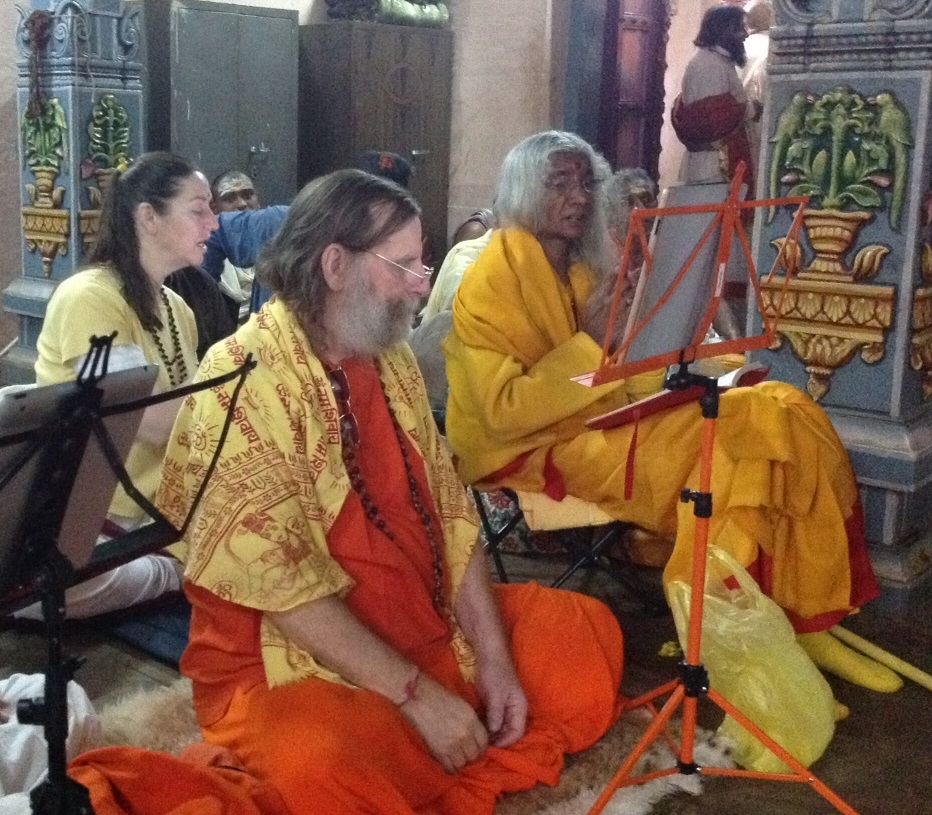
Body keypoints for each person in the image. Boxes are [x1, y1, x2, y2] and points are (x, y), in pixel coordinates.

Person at [156, 169, 625, 813]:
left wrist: (493, 660)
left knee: (582, 631)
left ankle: (438, 729)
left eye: (421, 260)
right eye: (402, 263)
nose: (421, 282)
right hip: (291, 660)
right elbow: (282, 593)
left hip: (422, 619)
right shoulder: (241, 376)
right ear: (334, 265)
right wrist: (417, 697)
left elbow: (452, 519)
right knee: (329, 767)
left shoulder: (389, 355)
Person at [442, 130, 903, 693]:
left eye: (586, 182)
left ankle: (801, 612)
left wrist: (690, 365)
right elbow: (502, 411)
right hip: (532, 448)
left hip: (604, 419)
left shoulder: (587, 271)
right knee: (735, 444)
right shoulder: (491, 279)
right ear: (520, 192)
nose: (580, 197)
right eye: (559, 183)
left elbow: (624, 368)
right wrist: (591, 342)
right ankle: (725, 635)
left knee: (783, 407)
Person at [22, 151, 216, 619]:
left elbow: (189, 421)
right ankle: (171, 572)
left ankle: (174, 564)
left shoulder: (176, 306)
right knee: (47, 589)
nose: (214, 222)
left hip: (166, 508)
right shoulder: (89, 297)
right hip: (98, 514)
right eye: (199, 209)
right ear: (149, 217)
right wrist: (240, 388)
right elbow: (147, 425)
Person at [672, 5, 760, 192]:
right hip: (712, 165)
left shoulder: (715, 60)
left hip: (715, 162)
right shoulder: (708, 64)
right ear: (724, 29)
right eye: (739, 29)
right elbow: (713, 116)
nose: (745, 35)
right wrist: (751, 108)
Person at [210, 169, 261, 323]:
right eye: (230, 198)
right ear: (214, 208)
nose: (242, 204)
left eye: (248, 195)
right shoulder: (205, 251)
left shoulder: (274, 242)